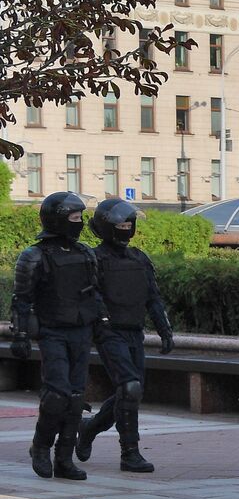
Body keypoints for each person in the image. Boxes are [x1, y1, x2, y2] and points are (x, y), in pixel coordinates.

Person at [11, 192, 109, 481]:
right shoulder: (34, 255)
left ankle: (64, 458)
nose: (79, 223)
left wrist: (102, 322)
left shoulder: (86, 253)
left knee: (76, 397)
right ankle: (40, 447)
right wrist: (20, 335)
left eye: (81, 218)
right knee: (57, 394)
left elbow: (96, 292)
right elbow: (22, 300)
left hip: (81, 332)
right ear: (57, 219)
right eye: (74, 218)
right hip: (52, 332)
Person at [75, 199, 175, 472]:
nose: (126, 228)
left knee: (131, 391)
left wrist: (164, 330)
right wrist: (103, 324)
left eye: (129, 224)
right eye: (120, 224)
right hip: (110, 334)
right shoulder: (93, 259)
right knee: (130, 387)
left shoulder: (139, 258)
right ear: (107, 227)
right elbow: (92, 297)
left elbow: (153, 297)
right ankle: (129, 452)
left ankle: (89, 427)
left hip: (134, 333)